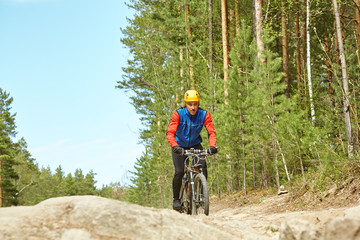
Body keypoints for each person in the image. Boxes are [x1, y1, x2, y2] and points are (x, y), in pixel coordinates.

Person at [166, 89, 217, 210]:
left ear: (198, 104)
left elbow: (211, 132)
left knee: (202, 166)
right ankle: (176, 200)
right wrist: (174, 146)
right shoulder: (178, 114)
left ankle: (201, 194)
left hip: (195, 144)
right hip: (179, 146)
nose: (193, 107)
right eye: (190, 104)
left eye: (195, 104)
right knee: (179, 171)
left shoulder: (204, 114)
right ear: (186, 104)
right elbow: (170, 133)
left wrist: (212, 146)